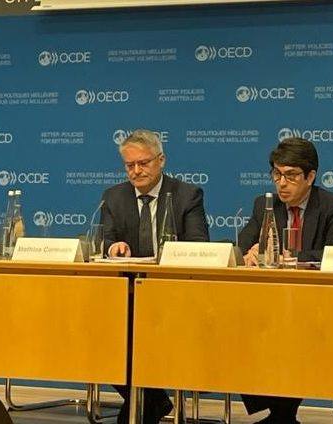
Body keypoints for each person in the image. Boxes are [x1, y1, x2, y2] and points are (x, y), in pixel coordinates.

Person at [237, 137, 333, 424]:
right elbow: (243, 246)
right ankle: (280, 414)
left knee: (291, 333)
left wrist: (291, 256)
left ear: (310, 177)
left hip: (316, 305)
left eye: (290, 176)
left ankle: (282, 416)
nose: (282, 184)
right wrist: (250, 254)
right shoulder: (264, 205)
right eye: (277, 174)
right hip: (271, 304)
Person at [100, 129, 209, 424]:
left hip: (173, 295)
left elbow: (198, 244)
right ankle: (153, 399)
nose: (136, 171)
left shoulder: (187, 195)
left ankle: (147, 403)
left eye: (143, 163)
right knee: (99, 336)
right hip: (127, 296)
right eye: (130, 165)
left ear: (161, 160)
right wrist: (113, 247)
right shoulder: (113, 197)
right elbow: (104, 239)